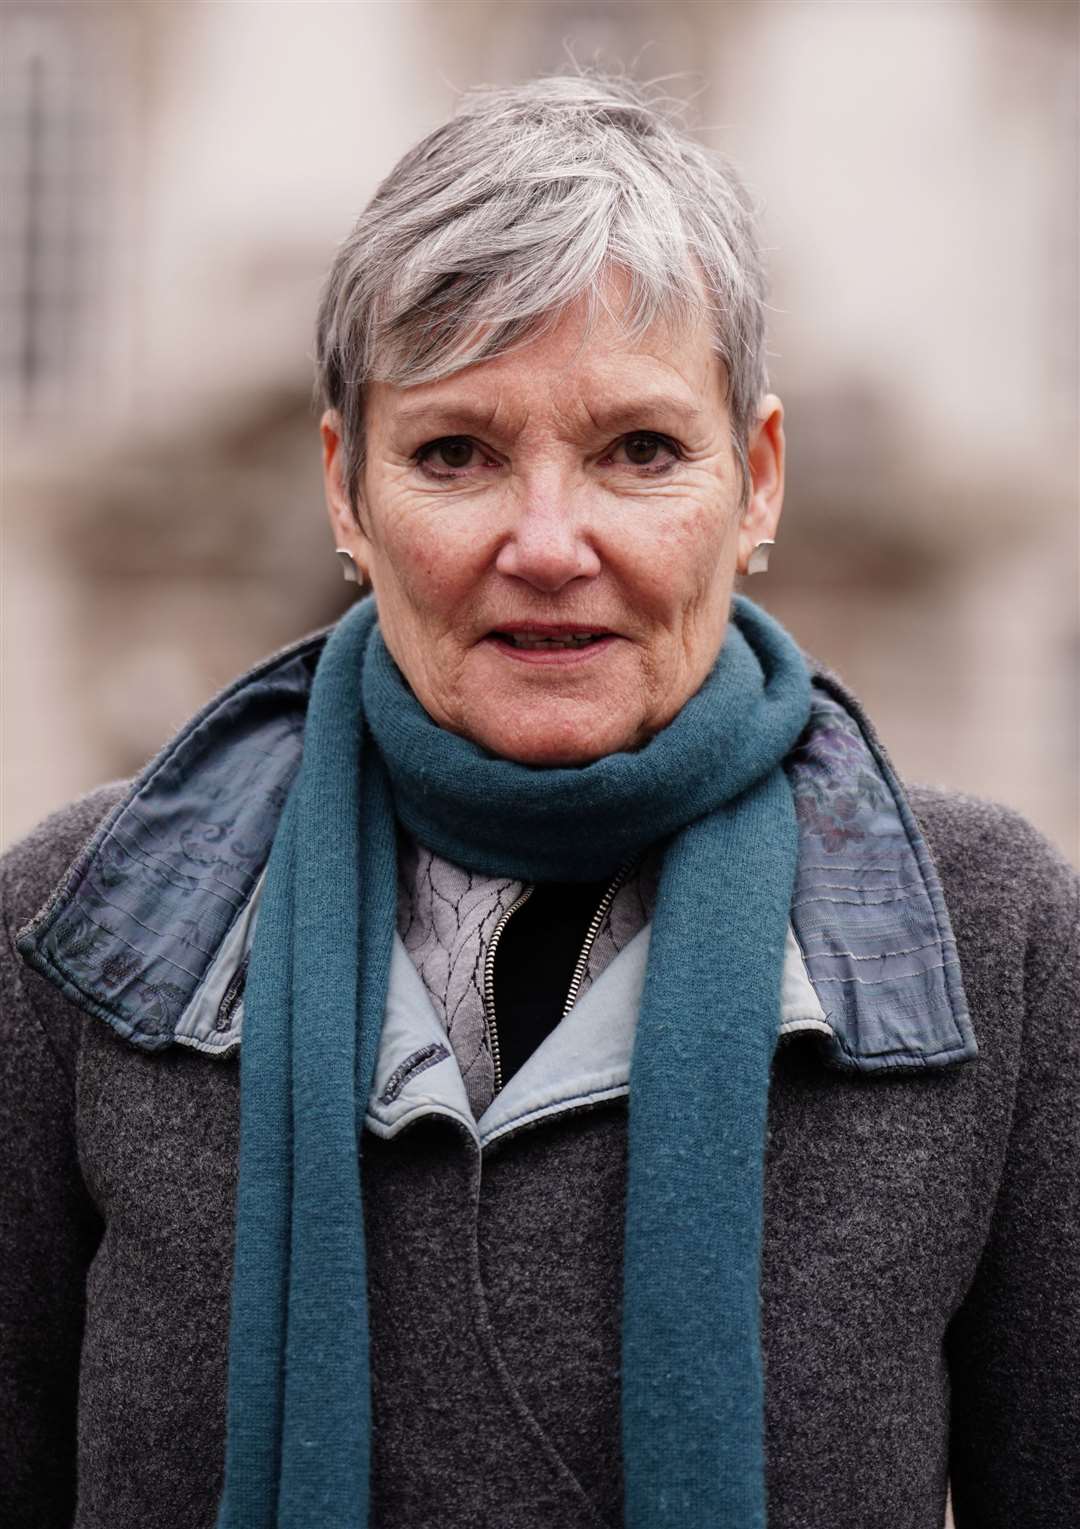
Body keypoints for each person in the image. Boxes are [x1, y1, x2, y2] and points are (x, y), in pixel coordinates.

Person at [1, 72, 1077, 1529]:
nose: (549, 540)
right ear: (344, 488)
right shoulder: (77, 931)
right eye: (457, 451)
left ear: (756, 481)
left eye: (640, 449)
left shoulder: (988, 938)